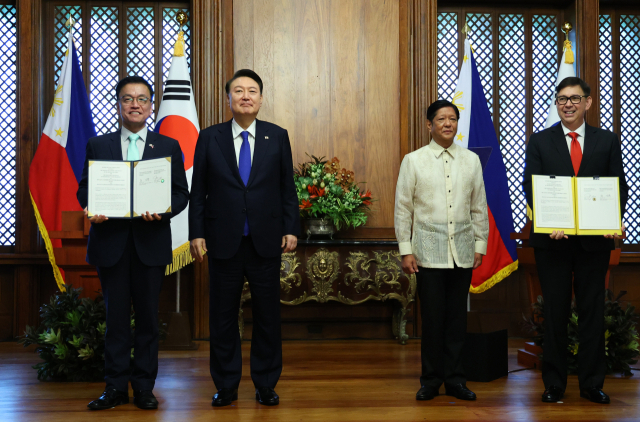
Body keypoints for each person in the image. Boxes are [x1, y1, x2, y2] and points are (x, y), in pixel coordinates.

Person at [77, 75, 189, 410]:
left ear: (151, 106)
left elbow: (181, 193)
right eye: (128, 98)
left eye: (142, 98)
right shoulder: (99, 145)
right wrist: (91, 208)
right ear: (118, 104)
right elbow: (85, 188)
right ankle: (114, 388)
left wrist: (163, 210)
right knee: (115, 321)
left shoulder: (167, 147)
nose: (135, 104)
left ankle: (143, 387)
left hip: (150, 244)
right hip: (110, 244)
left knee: (148, 321)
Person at [189, 69, 299, 407]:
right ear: (228, 99)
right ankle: (226, 385)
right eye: (238, 91)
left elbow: (286, 189)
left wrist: (291, 227)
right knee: (222, 318)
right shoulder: (209, 138)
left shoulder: (277, 136)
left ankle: (266, 383)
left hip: (266, 241)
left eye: (252, 91)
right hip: (223, 240)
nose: (246, 96)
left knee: (267, 317)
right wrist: (196, 234)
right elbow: (199, 192)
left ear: (261, 99)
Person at [523, 76, 628, 404]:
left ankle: (591, 384)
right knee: (553, 312)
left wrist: (612, 220)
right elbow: (531, 186)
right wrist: (547, 220)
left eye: (574, 98)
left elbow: (617, 187)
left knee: (592, 312)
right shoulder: (540, 141)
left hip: (594, 242)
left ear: (588, 102)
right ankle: (554, 384)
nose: (567, 104)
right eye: (561, 98)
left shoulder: (607, 141)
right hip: (552, 240)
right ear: (557, 104)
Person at [394, 99, 488, 401]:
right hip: (427, 253)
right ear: (429, 124)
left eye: (452, 119)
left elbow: (479, 207)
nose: (448, 124)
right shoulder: (414, 160)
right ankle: (431, 381)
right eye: (441, 119)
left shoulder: (471, 160)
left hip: (461, 251)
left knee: (457, 320)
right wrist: (406, 250)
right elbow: (403, 209)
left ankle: (456, 380)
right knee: (433, 321)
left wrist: (479, 244)